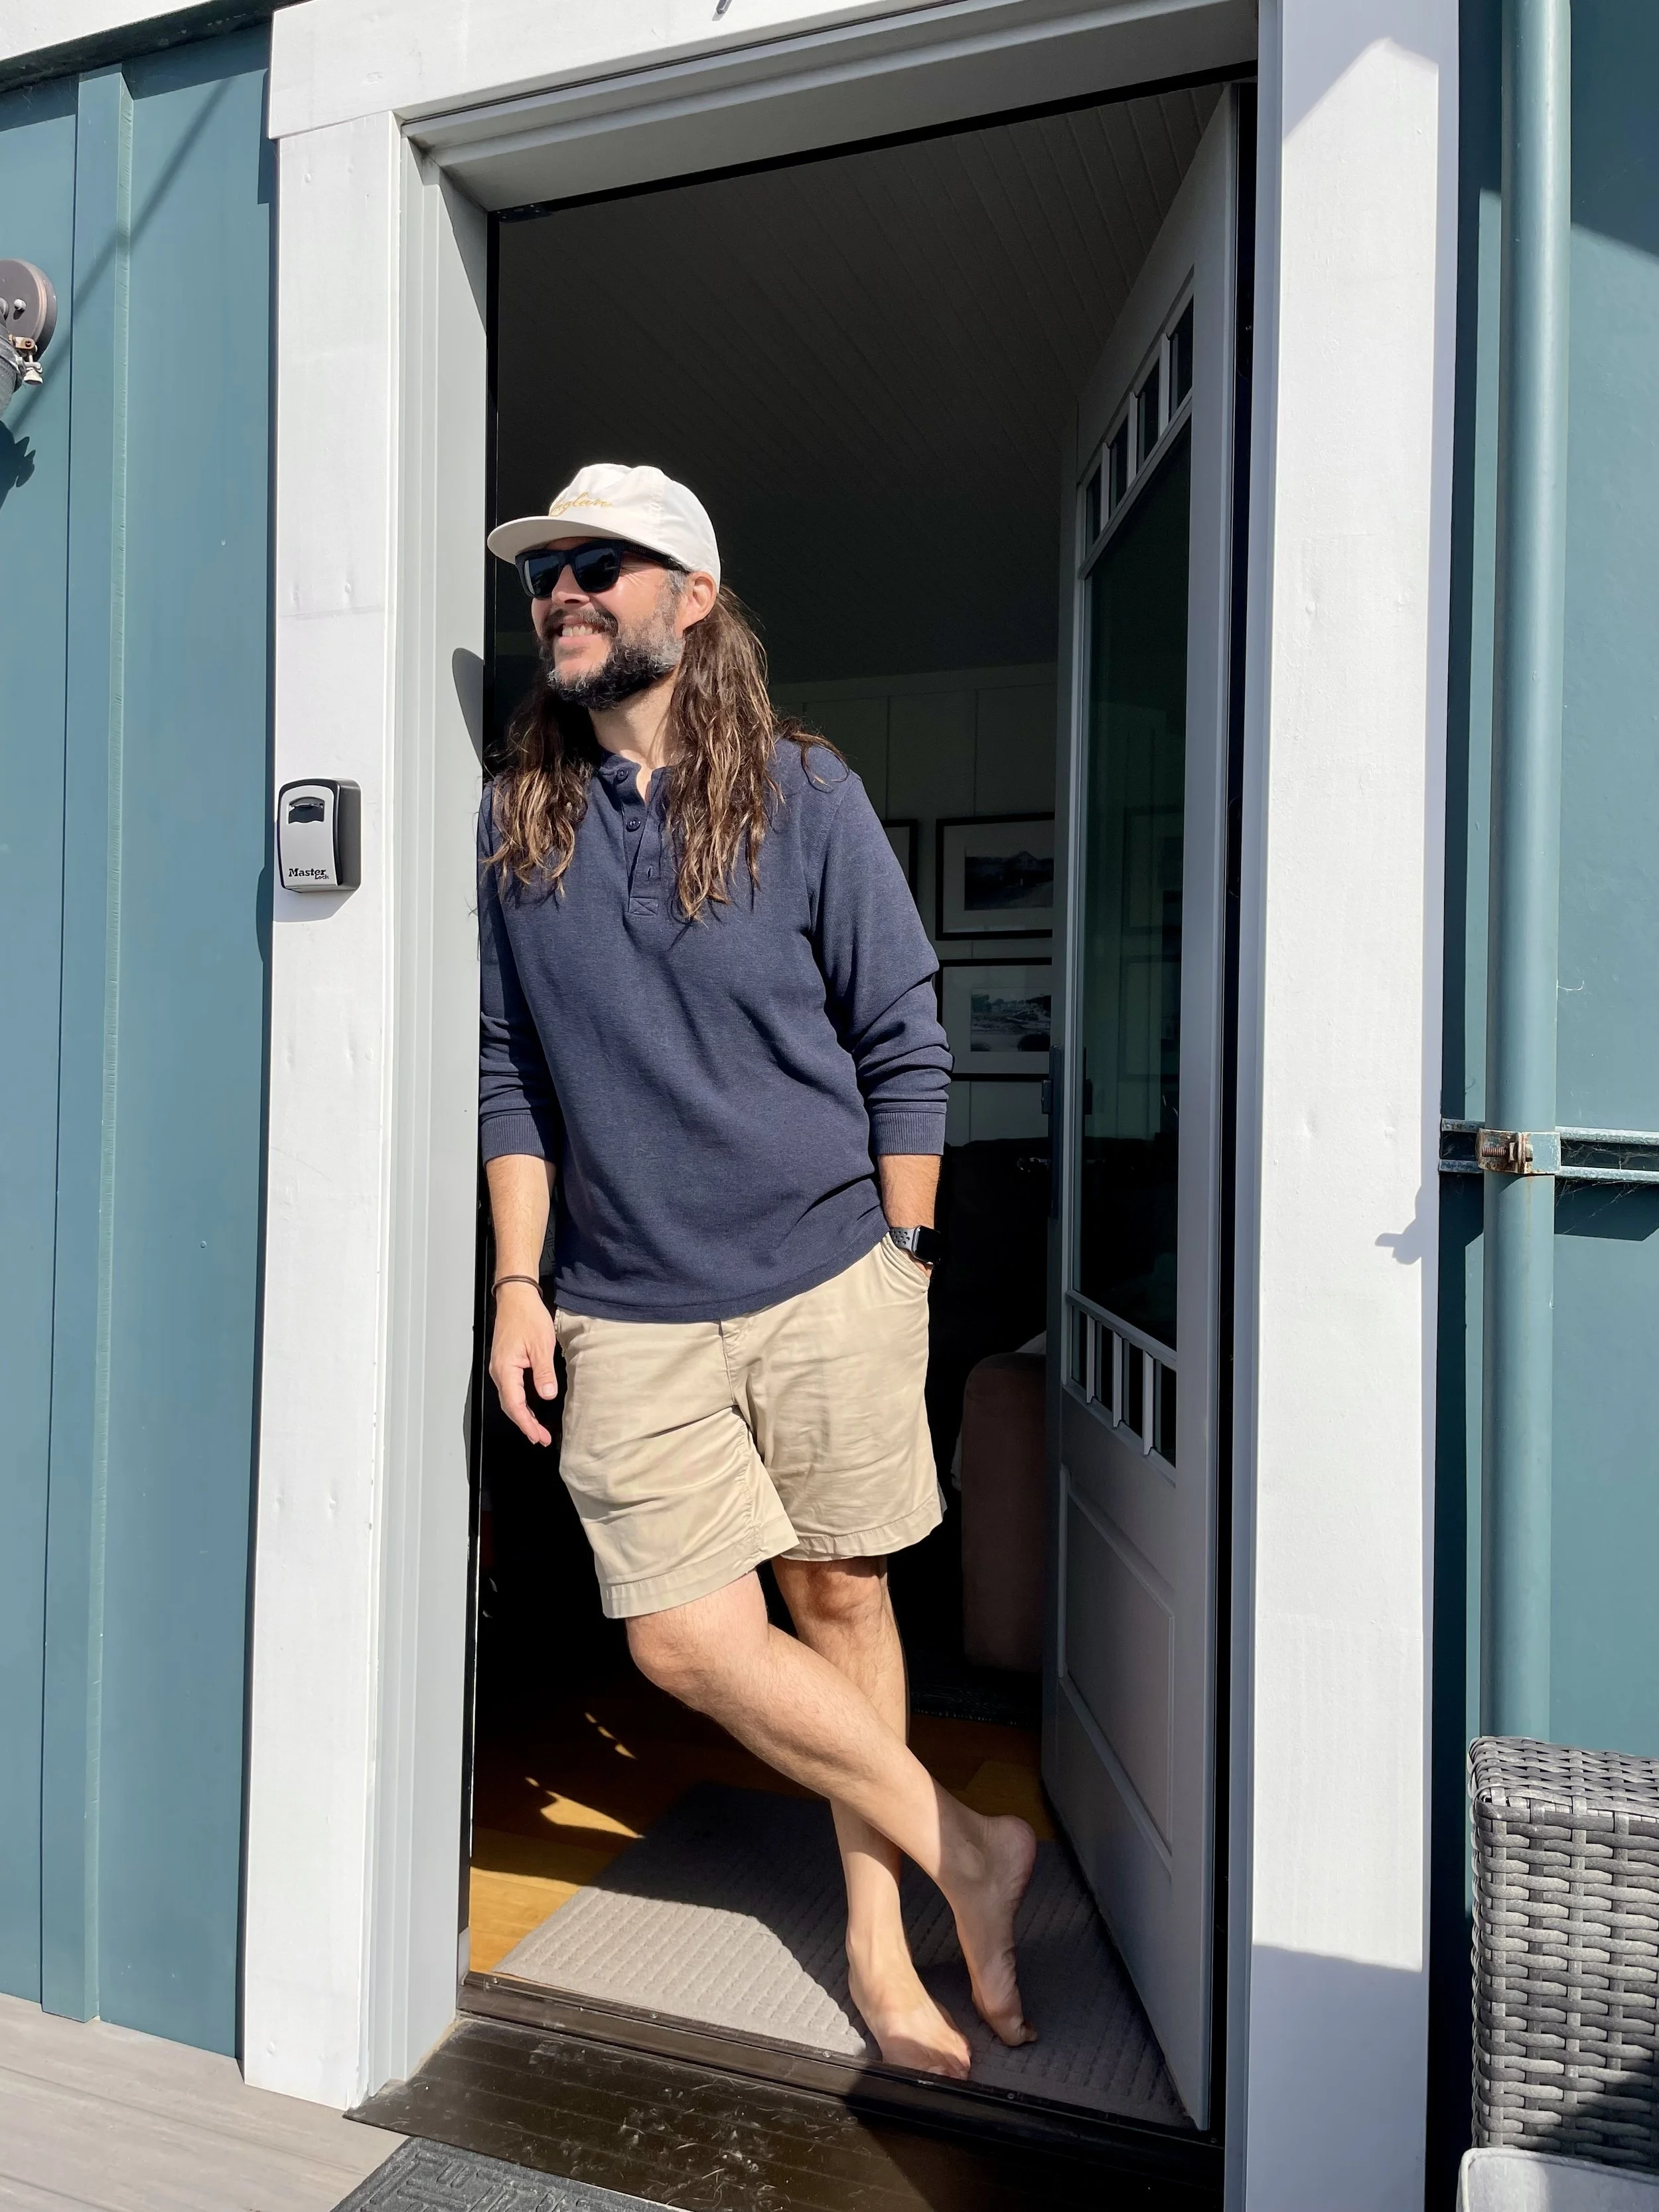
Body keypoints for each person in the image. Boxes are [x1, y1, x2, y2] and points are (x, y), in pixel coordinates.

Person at [478, 463, 1035, 2079]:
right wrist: (517, 1286)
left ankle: (878, 1946)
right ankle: (971, 1850)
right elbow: (510, 1074)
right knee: (677, 1638)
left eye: (600, 565)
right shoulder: (518, 822)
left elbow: (904, 1042)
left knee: (841, 1591)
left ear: (692, 600)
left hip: (823, 1279)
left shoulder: (806, 797)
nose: (561, 594)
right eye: (544, 575)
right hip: (619, 1302)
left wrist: (903, 1255)